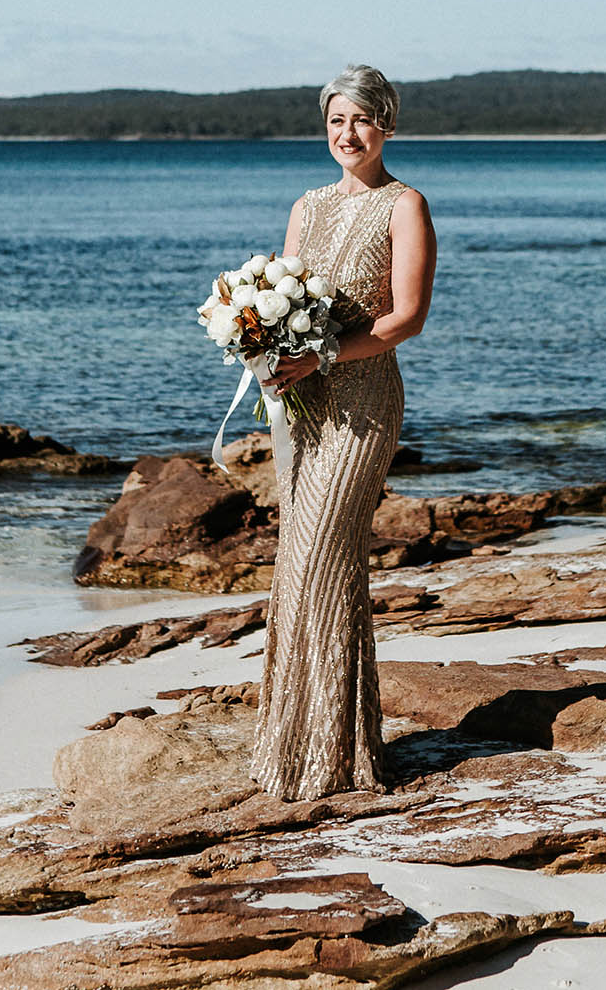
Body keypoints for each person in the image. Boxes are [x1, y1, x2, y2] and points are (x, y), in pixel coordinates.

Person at [249, 63, 436, 799]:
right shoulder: (307, 206)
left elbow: (405, 319)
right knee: (298, 564)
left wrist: (322, 352)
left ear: (386, 124)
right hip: (299, 407)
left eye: (360, 119)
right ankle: (303, 748)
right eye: (335, 121)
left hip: (362, 408)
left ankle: (330, 752)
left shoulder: (405, 206)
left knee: (324, 555)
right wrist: (260, 345)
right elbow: (280, 298)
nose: (346, 134)